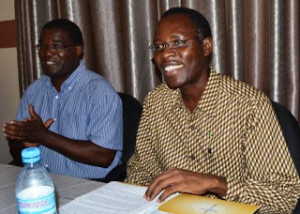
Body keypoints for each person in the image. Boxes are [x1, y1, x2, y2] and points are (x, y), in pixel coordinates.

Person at [125, 7, 300, 213]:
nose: (165, 54)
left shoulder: (248, 105)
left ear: (206, 46)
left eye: (178, 43)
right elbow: (140, 171)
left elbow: (284, 196)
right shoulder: (155, 102)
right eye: (158, 46)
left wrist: (214, 183)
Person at [3, 19, 123, 180]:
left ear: (78, 50)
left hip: (90, 185)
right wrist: (25, 144)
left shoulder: (100, 92)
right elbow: (15, 150)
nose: (46, 53)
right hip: (42, 179)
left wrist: (44, 136)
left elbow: (103, 156)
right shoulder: (35, 90)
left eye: (56, 46)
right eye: (42, 47)